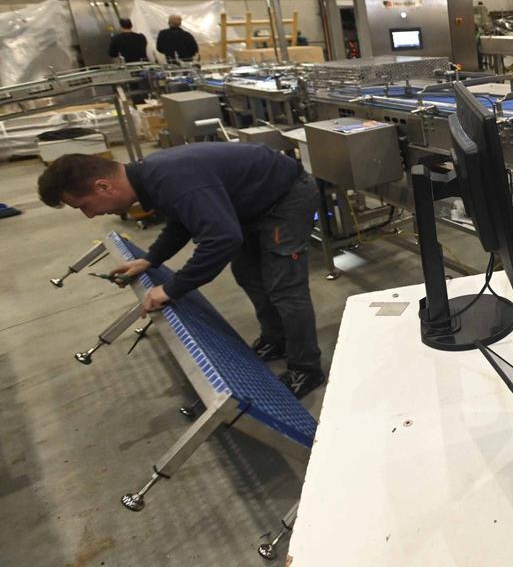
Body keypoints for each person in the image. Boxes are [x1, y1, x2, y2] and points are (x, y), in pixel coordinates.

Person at [37, 144, 328, 399]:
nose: (90, 215)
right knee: (247, 272)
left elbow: (222, 240)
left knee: (284, 287)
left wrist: (170, 288)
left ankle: (306, 367)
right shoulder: (151, 180)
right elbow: (181, 222)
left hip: (285, 198)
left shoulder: (173, 179)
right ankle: (276, 339)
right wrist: (151, 259)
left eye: (84, 206)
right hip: (250, 202)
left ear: (103, 187)